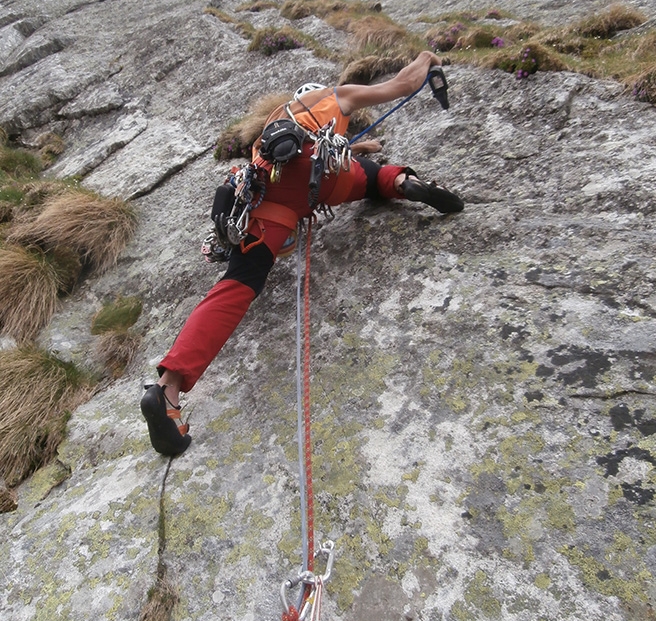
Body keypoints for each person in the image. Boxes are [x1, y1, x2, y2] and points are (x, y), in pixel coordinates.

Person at [141, 51, 463, 455]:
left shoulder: (270, 136)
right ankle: (402, 182)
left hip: (272, 195)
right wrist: (425, 58)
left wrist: (358, 144)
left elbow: (306, 160)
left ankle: (168, 388)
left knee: (238, 284)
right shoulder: (335, 96)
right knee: (370, 176)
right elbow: (400, 86)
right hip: (326, 176)